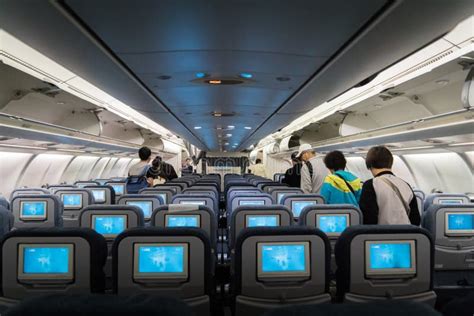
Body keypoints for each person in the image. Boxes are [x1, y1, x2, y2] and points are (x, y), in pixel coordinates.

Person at [359, 146, 420, 225]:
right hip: (406, 235)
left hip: (380, 235)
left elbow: (369, 219)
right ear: (390, 163)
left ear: (369, 164)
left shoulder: (370, 185)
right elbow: (416, 220)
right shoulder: (405, 185)